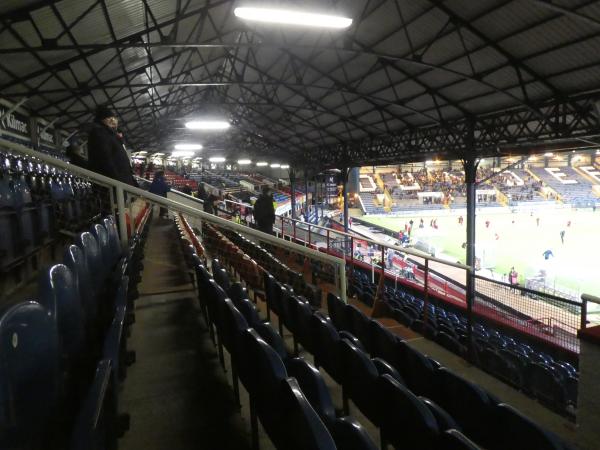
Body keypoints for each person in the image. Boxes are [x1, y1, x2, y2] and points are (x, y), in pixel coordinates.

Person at [87, 105, 137, 186]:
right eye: (109, 119)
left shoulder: (111, 134)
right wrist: (117, 182)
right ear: (102, 120)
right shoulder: (99, 133)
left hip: (122, 181)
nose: (113, 122)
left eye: (114, 119)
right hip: (115, 185)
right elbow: (106, 159)